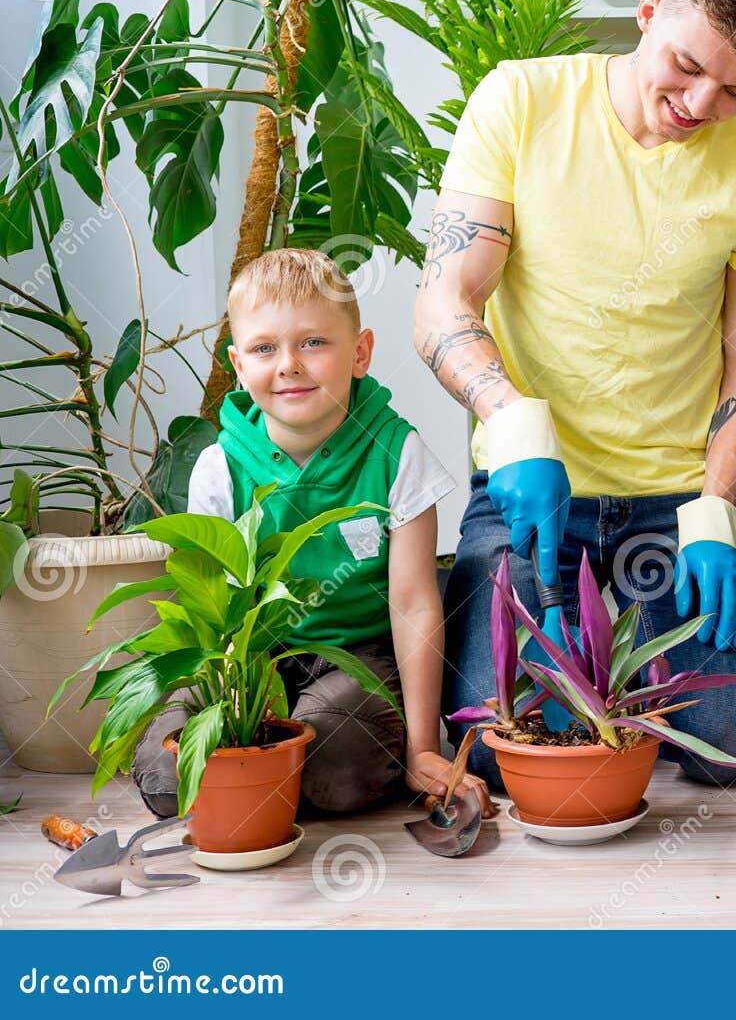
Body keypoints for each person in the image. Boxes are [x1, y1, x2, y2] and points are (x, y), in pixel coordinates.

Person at [416, 0, 736, 786]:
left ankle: (629, 669)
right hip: (532, 492)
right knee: (497, 739)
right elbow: (445, 301)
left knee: (729, 748)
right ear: (648, 11)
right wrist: (512, 424)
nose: (701, 103)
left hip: (671, 505)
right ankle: (603, 686)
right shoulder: (520, 100)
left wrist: (716, 510)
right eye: (686, 65)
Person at [131, 249, 493, 820]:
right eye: (264, 348)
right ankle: (261, 777)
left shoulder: (396, 453)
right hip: (249, 659)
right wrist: (238, 712)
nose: (289, 365)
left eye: (314, 343)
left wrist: (422, 749)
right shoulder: (220, 467)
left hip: (356, 656)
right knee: (165, 774)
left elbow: (414, 602)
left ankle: (300, 771)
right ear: (239, 363)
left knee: (335, 770)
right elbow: (216, 611)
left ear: (360, 353)